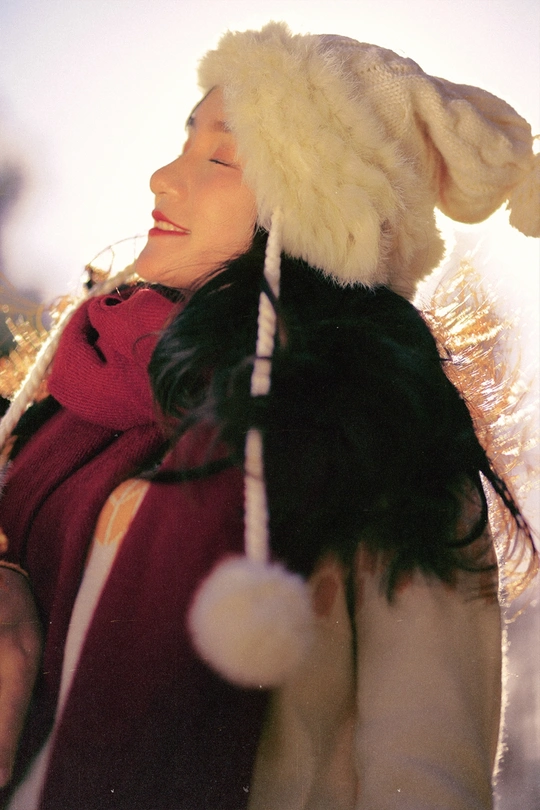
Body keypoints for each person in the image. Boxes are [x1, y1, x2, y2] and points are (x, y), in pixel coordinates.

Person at [0, 20, 538, 810]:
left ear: (317, 212)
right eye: (184, 141)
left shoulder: (385, 437)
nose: (162, 177)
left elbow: (427, 772)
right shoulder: (79, 392)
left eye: (220, 160)